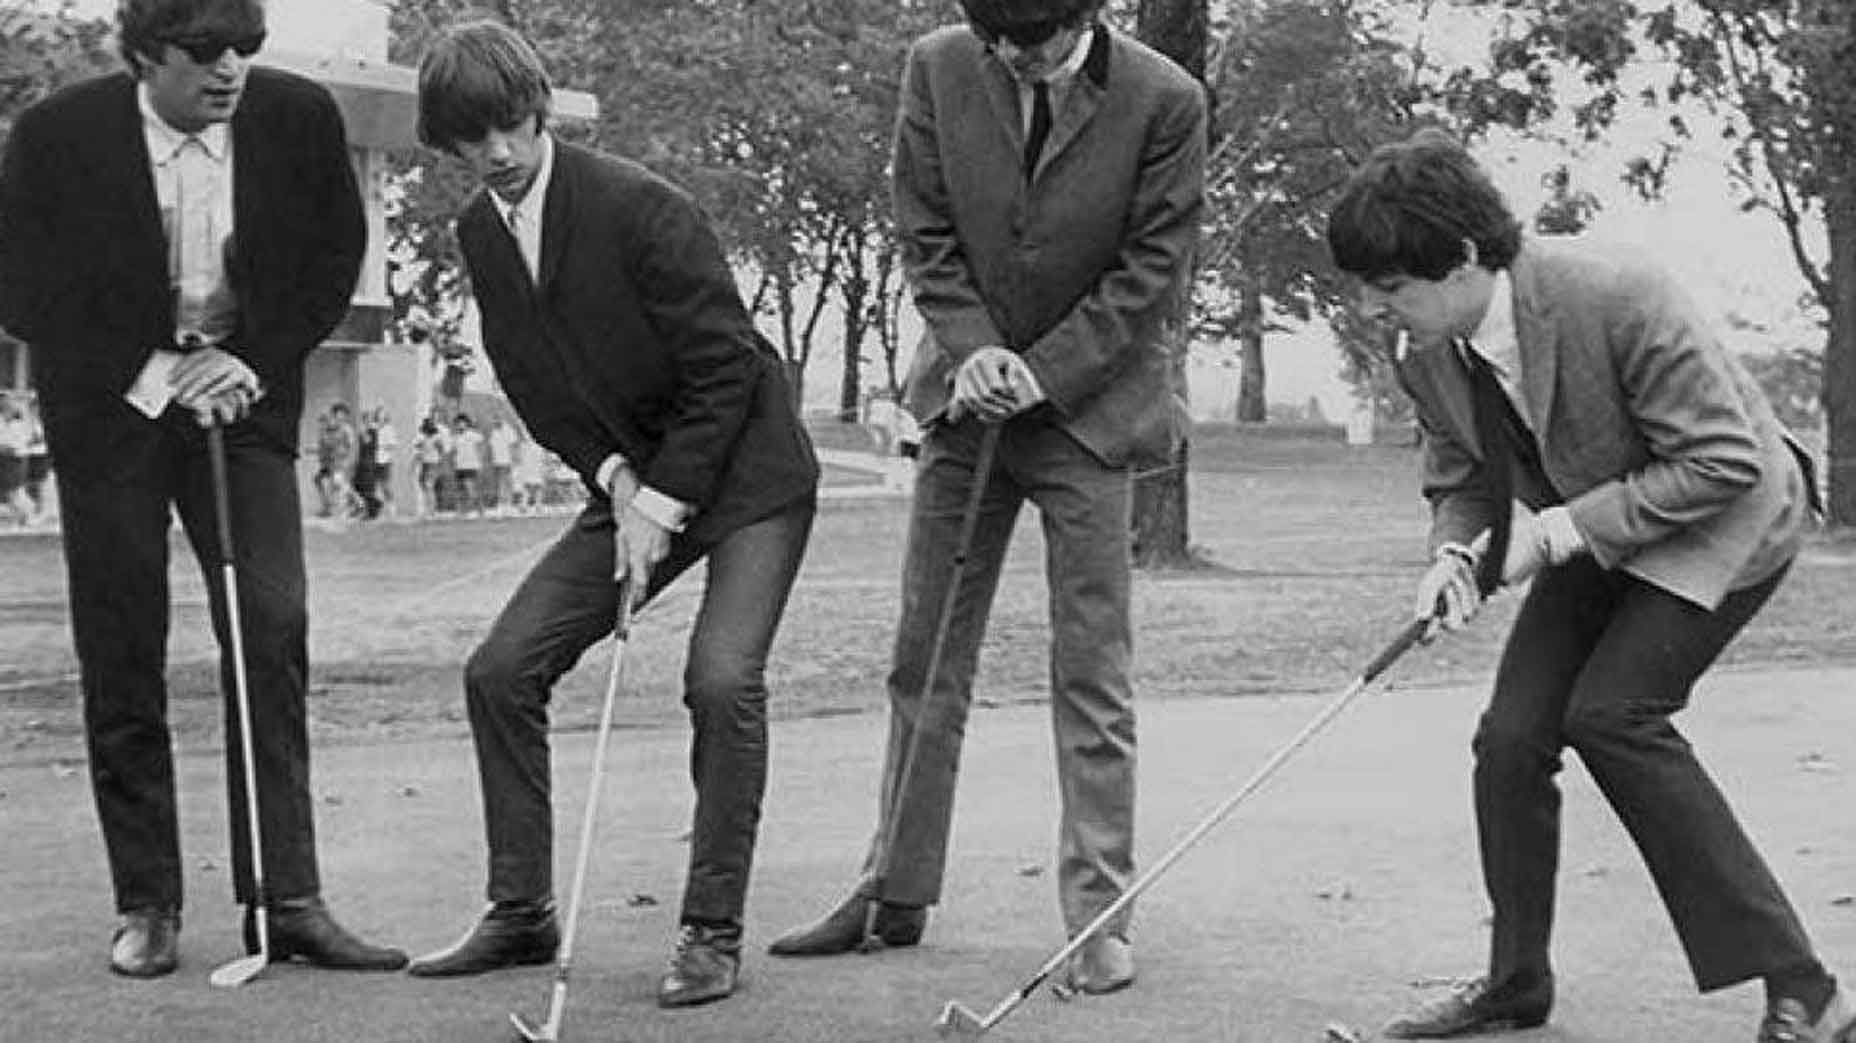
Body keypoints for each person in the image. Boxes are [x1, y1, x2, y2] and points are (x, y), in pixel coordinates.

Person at [1324, 128, 1849, 1042]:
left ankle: (1809, 989)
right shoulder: (1425, 353)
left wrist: (1558, 531)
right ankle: (1515, 984)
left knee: (1613, 712)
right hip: (1597, 526)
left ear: (1459, 260)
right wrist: (1456, 553)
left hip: (1728, 517)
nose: (1374, 308)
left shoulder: (1616, 289)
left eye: (1390, 288)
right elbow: (1458, 475)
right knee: (1511, 735)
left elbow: (1723, 460)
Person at [768, 0, 1205, 997]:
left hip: (1088, 412)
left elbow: (1150, 271)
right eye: (996, 42)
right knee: (923, 656)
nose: (1013, 59)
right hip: (964, 404)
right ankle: (892, 887)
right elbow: (923, 231)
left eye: (1035, 43)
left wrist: (1036, 370)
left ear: (1085, 16)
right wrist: (974, 353)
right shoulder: (937, 64)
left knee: (1090, 668)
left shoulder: (1167, 100)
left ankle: (1097, 919)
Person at [406, 21, 819, 1009]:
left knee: (720, 680)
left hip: (752, 474)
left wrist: (664, 502)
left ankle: (709, 930)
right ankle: (519, 911)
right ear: (448, 142)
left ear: (539, 110)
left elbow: (726, 368)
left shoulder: (640, 205)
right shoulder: (478, 231)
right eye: (473, 139)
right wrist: (613, 479)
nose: (497, 153)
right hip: (635, 477)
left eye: (510, 126)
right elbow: (534, 382)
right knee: (501, 668)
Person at [0, 0, 405, 978]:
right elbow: (19, 279)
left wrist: (250, 362)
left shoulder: (296, 117)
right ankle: (147, 902)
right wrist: (153, 371)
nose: (229, 72)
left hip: (243, 398)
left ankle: (289, 897)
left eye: (244, 51)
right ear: (144, 56)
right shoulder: (59, 133)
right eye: (203, 55)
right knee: (123, 637)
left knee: (271, 624)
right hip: (111, 406)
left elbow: (327, 261)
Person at [449, 412, 484, 516]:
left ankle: (479, 509)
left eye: (462, 423)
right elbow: (453, 452)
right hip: (459, 466)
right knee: (460, 490)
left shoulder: (473, 435)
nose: (460, 425)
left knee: (470, 489)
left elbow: (481, 448)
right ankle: (461, 511)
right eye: (457, 423)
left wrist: (480, 461)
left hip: (471, 465)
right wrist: (453, 464)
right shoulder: (454, 437)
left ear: (466, 423)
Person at [414, 413, 448, 518]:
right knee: (424, 486)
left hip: (433, 463)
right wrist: (414, 464)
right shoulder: (422, 438)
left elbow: (442, 451)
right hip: (425, 464)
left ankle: (431, 511)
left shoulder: (436, 438)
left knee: (429, 486)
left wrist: (441, 464)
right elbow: (418, 452)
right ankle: (427, 509)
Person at [485, 414, 517, 514]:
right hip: (496, 461)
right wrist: (490, 459)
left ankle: (508, 504)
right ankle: (502, 503)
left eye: (496, 419)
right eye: (493, 420)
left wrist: (513, 459)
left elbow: (512, 446)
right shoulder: (493, 431)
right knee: (499, 482)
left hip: (506, 460)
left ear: (501, 419)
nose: (494, 422)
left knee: (506, 482)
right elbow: (491, 447)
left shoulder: (508, 430)